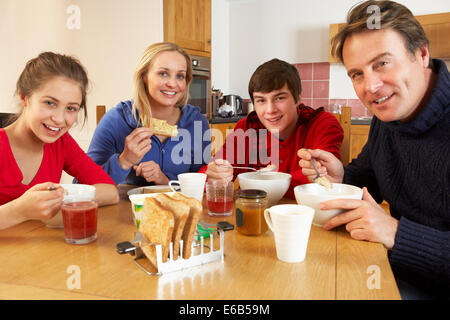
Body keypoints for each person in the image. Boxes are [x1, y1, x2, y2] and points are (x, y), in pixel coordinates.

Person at [298, 0, 449, 298]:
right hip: (392, 269)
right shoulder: (389, 115)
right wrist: (342, 177)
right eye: (357, 74)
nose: (372, 87)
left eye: (381, 63)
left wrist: (395, 232)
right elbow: (371, 179)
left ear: (421, 54)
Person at [0, 52, 119, 230]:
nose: (59, 119)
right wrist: (21, 210)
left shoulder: (61, 143)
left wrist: (62, 196)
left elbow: (110, 192)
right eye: (50, 103)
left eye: (71, 108)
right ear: (24, 97)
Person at [203, 58, 343, 199]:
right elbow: (209, 173)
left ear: (298, 98)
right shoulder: (246, 128)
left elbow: (323, 179)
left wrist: (256, 183)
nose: (270, 110)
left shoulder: (322, 124)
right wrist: (215, 175)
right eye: (261, 100)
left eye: (279, 98)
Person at [87, 42, 211, 186]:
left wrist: (163, 180)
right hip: (129, 208)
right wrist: (123, 161)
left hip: (180, 207)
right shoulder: (116, 120)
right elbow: (82, 185)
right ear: (144, 76)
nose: (172, 83)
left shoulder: (197, 122)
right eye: (163, 73)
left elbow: (201, 184)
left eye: (180, 76)